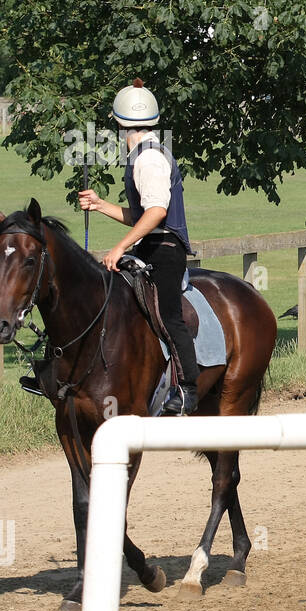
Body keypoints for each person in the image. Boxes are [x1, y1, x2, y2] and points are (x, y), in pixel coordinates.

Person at [75, 78, 200, 415]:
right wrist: (100, 204)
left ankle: (188, 389)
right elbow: (141, 214)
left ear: (119, 123)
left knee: (169, 315)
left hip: (166, 249)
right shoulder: (142, 155)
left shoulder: (149, 159)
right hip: (149, 245)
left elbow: (157, 213)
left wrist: (118, 249)